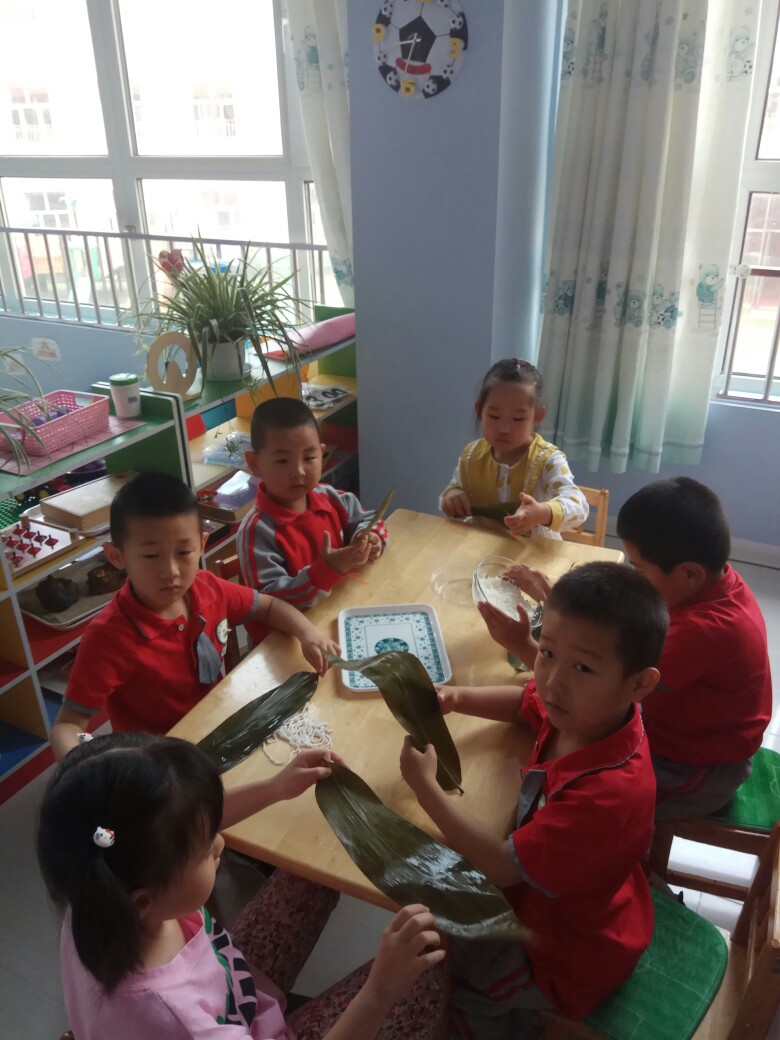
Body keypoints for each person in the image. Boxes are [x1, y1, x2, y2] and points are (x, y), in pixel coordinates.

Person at [401, 562, 668, 1033]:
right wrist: (457, 698)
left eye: (583, 667)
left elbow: (500, 866)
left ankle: (493, 1016)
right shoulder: (593, 715)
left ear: (639, 684)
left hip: (563, 955)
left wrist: (425, 789)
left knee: (445, 961)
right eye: (546, 652)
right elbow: (528, 703)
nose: (552, 681)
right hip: (586, 900)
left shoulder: (605, 798)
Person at [38, 733, 446, 1040]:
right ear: (144, 900)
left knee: (306, 875)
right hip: (238, 1025)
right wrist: (379, 992)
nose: (221, 843)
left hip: (235, 987)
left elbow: (181, 829)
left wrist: (275, 788)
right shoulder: (180, 1020)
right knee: (424, 980)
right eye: (206, 849)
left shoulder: (98, 881)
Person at [50, 472, 339, 761]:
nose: (171, 571)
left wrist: (307, 633)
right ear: (117, 556)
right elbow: (68, 725)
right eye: (151, 556)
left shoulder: (207, 587)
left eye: (183, 552)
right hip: (159, 763)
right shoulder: (108, 637)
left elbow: (270, 607)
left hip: (219, 728)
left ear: (201, 545)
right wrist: (83, 763)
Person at [617, 477, 772, 819]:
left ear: (689, 574)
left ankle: (633, 852)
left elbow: (607, 686)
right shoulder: (717, 582)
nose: (634, 578)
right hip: (698, 741)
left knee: (599, 788)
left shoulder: (702, 631)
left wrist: (526, 645)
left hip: (700, 771)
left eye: (639, 569)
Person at [237, 397, 387, 645]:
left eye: (309, 458)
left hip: (337, 616)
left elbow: (372, 518)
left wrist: (371, 537)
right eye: (282, 461)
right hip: (283, 643)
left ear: (322, 453)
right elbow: (270, 603)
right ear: (255, 463)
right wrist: (326, 571)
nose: (298, 471)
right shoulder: (256, 531)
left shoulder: (331, 498)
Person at [439, 358, 589, 539]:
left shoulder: (548, 460)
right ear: (479, 411)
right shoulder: (472, 456)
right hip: (481, 548)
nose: (504, 429)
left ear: (537, 417)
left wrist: (542, 512)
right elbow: (457, 485)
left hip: (533, 551)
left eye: (518, 419)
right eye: (494, 416)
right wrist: (452, 495)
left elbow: (578, 505)